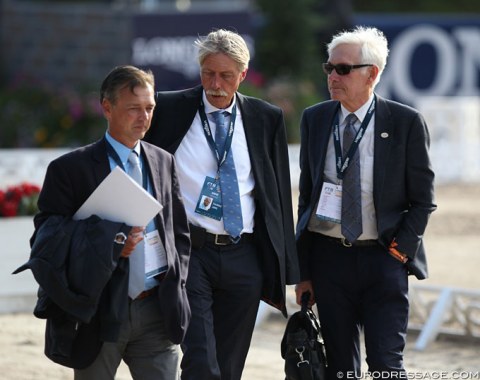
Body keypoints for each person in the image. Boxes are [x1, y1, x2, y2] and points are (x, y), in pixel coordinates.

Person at [144, 29, 299, 380]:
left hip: (244, 255)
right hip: (189, 253)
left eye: (226, 75)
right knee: (201, 362)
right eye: (208, 73)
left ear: (242, 75)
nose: (215, 83)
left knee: (229, 368)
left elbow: (276, 196)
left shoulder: (265, 117)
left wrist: (290, 266)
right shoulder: (168, 108)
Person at [22, 65, 191, 379]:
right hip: (97, 312)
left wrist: (177, 285)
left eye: (149, 108)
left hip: (156, 309)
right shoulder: (69, 169)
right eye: (133, 109)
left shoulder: (163, 160)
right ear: (107, 107)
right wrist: (110, 242)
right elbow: (45, 240)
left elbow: (178, 233)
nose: (144, 117)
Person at [295, 26, 436, 379]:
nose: (333, 76)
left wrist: (399, 253)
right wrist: (305, 271)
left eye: (343, 69)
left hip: (384, 258)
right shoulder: (315, 118)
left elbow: (423, 201)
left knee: (387, 366)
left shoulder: (405, 122)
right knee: (340, 368)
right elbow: (307, 197)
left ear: (372, 73)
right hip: (329, 261)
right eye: (329, 68)